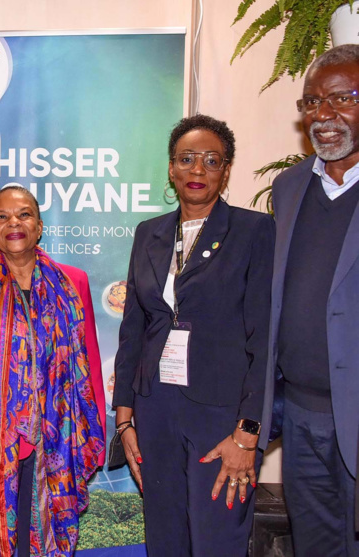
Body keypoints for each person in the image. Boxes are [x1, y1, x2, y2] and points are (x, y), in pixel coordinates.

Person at [112, 114, 275, 556]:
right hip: (156, 409)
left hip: (222, 417)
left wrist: (248, 434)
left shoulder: (254, 231)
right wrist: (124, 418)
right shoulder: (149, 233)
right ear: (170, 167)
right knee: (165, 539)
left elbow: (265, 340)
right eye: (186, 159)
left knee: (216, 540)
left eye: (211, 160)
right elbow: (134, 329)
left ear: (226, 170)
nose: (197, 170)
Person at [0, 186, 106, 557]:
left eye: (24, 214)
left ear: (40, 225)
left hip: (57, 442)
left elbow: (88, 364)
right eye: (2, 216)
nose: (14, 222)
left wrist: (93, 433)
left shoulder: (73, 282)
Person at [261, 44, 359, 556]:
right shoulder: (292, 185)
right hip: (299, 417)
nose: (324, 115)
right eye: (312, 102)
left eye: (342, 98)